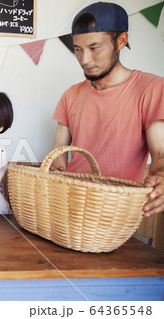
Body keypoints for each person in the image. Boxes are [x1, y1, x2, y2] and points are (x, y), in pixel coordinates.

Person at [50, 2, 164, 217]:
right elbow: (58, 154)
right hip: (70, 207)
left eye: (94, 48)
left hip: (115, 214)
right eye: (77, 50)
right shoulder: (70, 95)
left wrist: (161, 176)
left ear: (121, 41)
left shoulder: (152, 89)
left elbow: (160, 153)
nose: (85, 60)